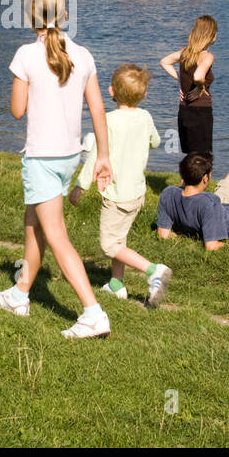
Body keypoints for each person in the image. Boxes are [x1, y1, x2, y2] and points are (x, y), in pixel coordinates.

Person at [0, 0, 114, 338]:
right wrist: (103, 155)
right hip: (68, 157)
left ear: (31, 17)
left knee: (56, 235)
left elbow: (16, 111)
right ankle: (20, 293)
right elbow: (98, 108)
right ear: (65, 14)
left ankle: (92, 313)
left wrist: (20, 83)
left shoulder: (26, 55)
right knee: (34, 224)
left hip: (42, 158)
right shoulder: (84, 55)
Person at [69, 63, 171, 306]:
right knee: (120, 240)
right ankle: (116, 284)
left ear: (111, 91)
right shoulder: (145, 117)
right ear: (144, 94)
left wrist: (80, 186)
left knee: (109, 245)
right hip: (136, 193)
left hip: (117, 197)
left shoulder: (108, 120)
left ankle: (153, 270)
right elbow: (155, 142)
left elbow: (94, 156)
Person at [159, 15, 217, 157]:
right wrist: (199, 87)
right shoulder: (207, 56)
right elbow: (198, 76)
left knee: (190, 153)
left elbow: (164, 61)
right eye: (215, 32)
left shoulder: (185, 53)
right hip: (201, 111)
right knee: (202, 155)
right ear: (210, 35)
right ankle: (198, 179)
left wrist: (180, 79)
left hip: (184, 110)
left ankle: (186, 179)